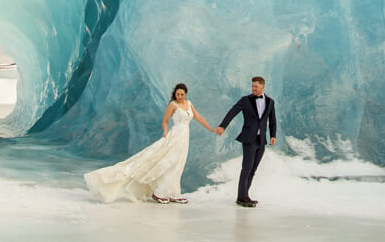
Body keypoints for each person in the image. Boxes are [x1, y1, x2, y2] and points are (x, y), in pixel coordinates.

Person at [84, 83, 217, 204]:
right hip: (175, 136)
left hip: (184, 137)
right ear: (174, 94)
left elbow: (198, 117)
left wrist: (211, 129)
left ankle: (173, 193)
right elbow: (165, 121)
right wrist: (165, 132)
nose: (180, 96)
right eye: (178, 94)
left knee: (178, 163)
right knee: (166, 162)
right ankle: (159, 192)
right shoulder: (173, 105)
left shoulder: (189, 103)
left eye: (182, 94)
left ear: (186, 94)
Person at [216, 76, 277, 207]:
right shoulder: (245, 100)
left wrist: (273, 135)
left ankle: (245, 195)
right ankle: (241, 197)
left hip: (261, 140)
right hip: (249, 139)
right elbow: (232, 112)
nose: (253, 89)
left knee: (253, 169)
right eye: (253, 86)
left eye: (256, 87)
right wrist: (222, 126)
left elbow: (272, 120)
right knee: (247, 168)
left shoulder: (270, 102)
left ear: (262, 87)